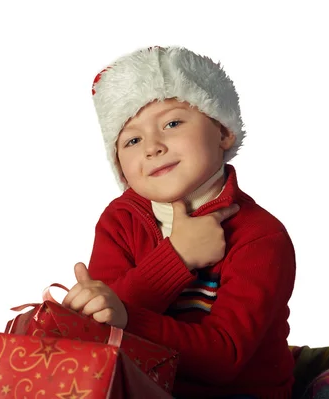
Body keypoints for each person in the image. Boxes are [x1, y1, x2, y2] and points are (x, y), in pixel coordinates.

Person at [62, 46, 296, 399]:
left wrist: (125, 317)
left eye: (172, 123)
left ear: (223, 132)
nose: (152, 147)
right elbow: (102, 329)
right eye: (132, 140)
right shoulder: (120, 221)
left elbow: (226, 357)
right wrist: (177, 258)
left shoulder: (259, 236)